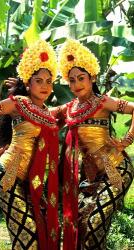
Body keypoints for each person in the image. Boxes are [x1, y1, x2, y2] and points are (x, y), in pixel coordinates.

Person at [0, 39, 60, 250]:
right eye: (39, 81)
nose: (45, 86)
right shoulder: (18, 103)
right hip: (6, 175)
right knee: (27, 234)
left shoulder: (48, 112)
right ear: (28, 83)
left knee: (35, 231)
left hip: (30, 181)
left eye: (49, 81)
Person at [57, 38, 134, 250]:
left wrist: (128, 139)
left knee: (94, 224)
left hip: (116, 170)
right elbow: (41, 116)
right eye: (71, 80)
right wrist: (23, 89)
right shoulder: (69, 109)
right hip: (89, 177)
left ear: (92, 77)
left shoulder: (103, 102)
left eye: (81, 78)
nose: (76, 84)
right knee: (82, 226)